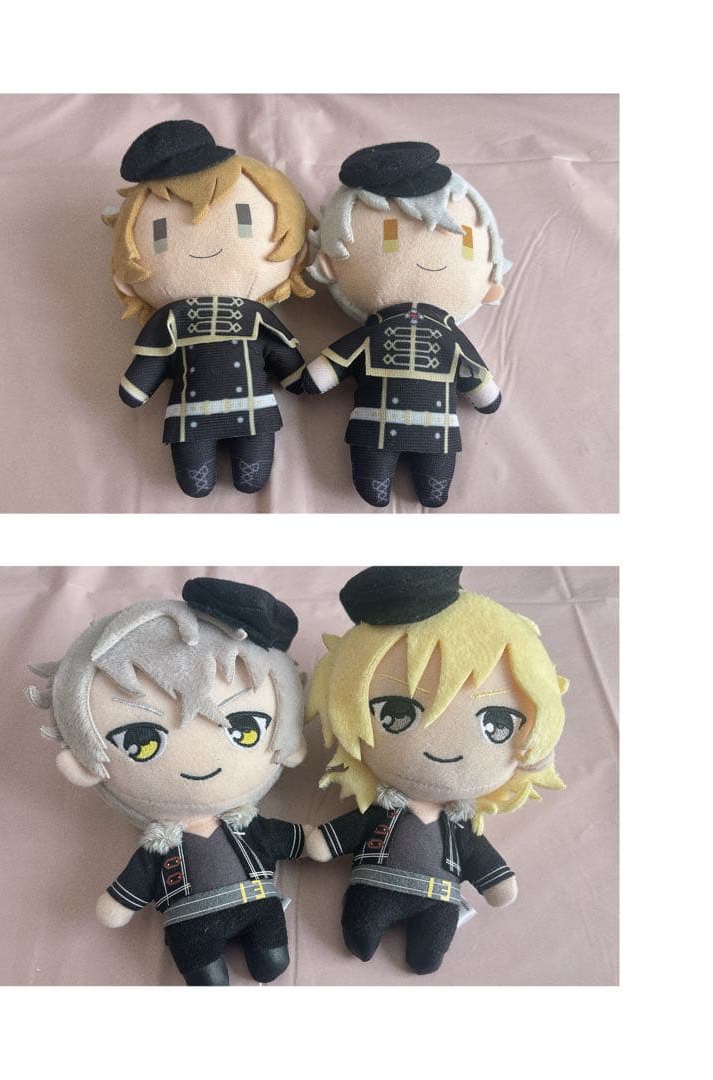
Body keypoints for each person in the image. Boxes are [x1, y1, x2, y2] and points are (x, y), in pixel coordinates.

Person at [26, 577, 307, 985]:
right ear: (83, 763)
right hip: (190, 922)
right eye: (141, 741)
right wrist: (120, 902)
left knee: (273, 963)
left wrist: (317, 839)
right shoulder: (162, 843)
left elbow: (285, 837)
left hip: (257, 905)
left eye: (245, 729)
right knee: (207, 978)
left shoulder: (247, 827)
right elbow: (138, 877)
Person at [305, 566, 568, 974]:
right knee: (360, 932)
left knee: (428, 954)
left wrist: (496, 881)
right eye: (396, 713)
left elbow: (480, 857)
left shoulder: (458, 825)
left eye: (497, 723)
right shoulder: (382, 810)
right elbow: (345, 831)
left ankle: (425, 949)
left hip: (438, 898)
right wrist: (324, 840)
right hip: (376, 885)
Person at [104, 120, 316, 497]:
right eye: (160, 233)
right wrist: (137, 385)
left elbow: (278, 347)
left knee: (252, 477)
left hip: (252, 410)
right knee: (195, 480)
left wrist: (297, 375)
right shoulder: (171, 319)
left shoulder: (254, 316)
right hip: (191, 416)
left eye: (245, 221)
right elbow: (153, 356)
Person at [305, 143, 510, 507]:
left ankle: (426, 486)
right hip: (378, 425)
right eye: (389, 237)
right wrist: (487, 396)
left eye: (465, 243)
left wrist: (315, 378)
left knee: (434, 490)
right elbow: (341, 358)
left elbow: (471, 369)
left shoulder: (446, 337)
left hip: (432, 432)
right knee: (374, 484)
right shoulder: (381, 332)